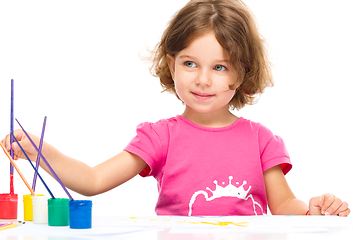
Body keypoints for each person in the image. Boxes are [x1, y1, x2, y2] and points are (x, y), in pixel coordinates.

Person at [1, 0, 350, 216]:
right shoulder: (160, 136)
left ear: (243, 72)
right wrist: (41, 151)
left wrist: (312, 211)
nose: (202, 80)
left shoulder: (262, 140)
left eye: (220, 67)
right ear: (171, 64)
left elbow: (285, 207)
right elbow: (93, 181)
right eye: (189, 64)